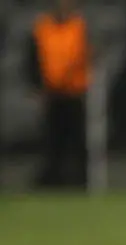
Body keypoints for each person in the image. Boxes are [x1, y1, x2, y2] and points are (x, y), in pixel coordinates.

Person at [25, 0, 91, 189]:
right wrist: (36, 85)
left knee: (77, 142)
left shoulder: (79, 26)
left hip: (74, 93)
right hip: (51, 94)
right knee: (53, 142)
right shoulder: (42, 28)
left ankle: (80, 183)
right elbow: (32, 57)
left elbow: (87, 54)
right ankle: (52, 183)